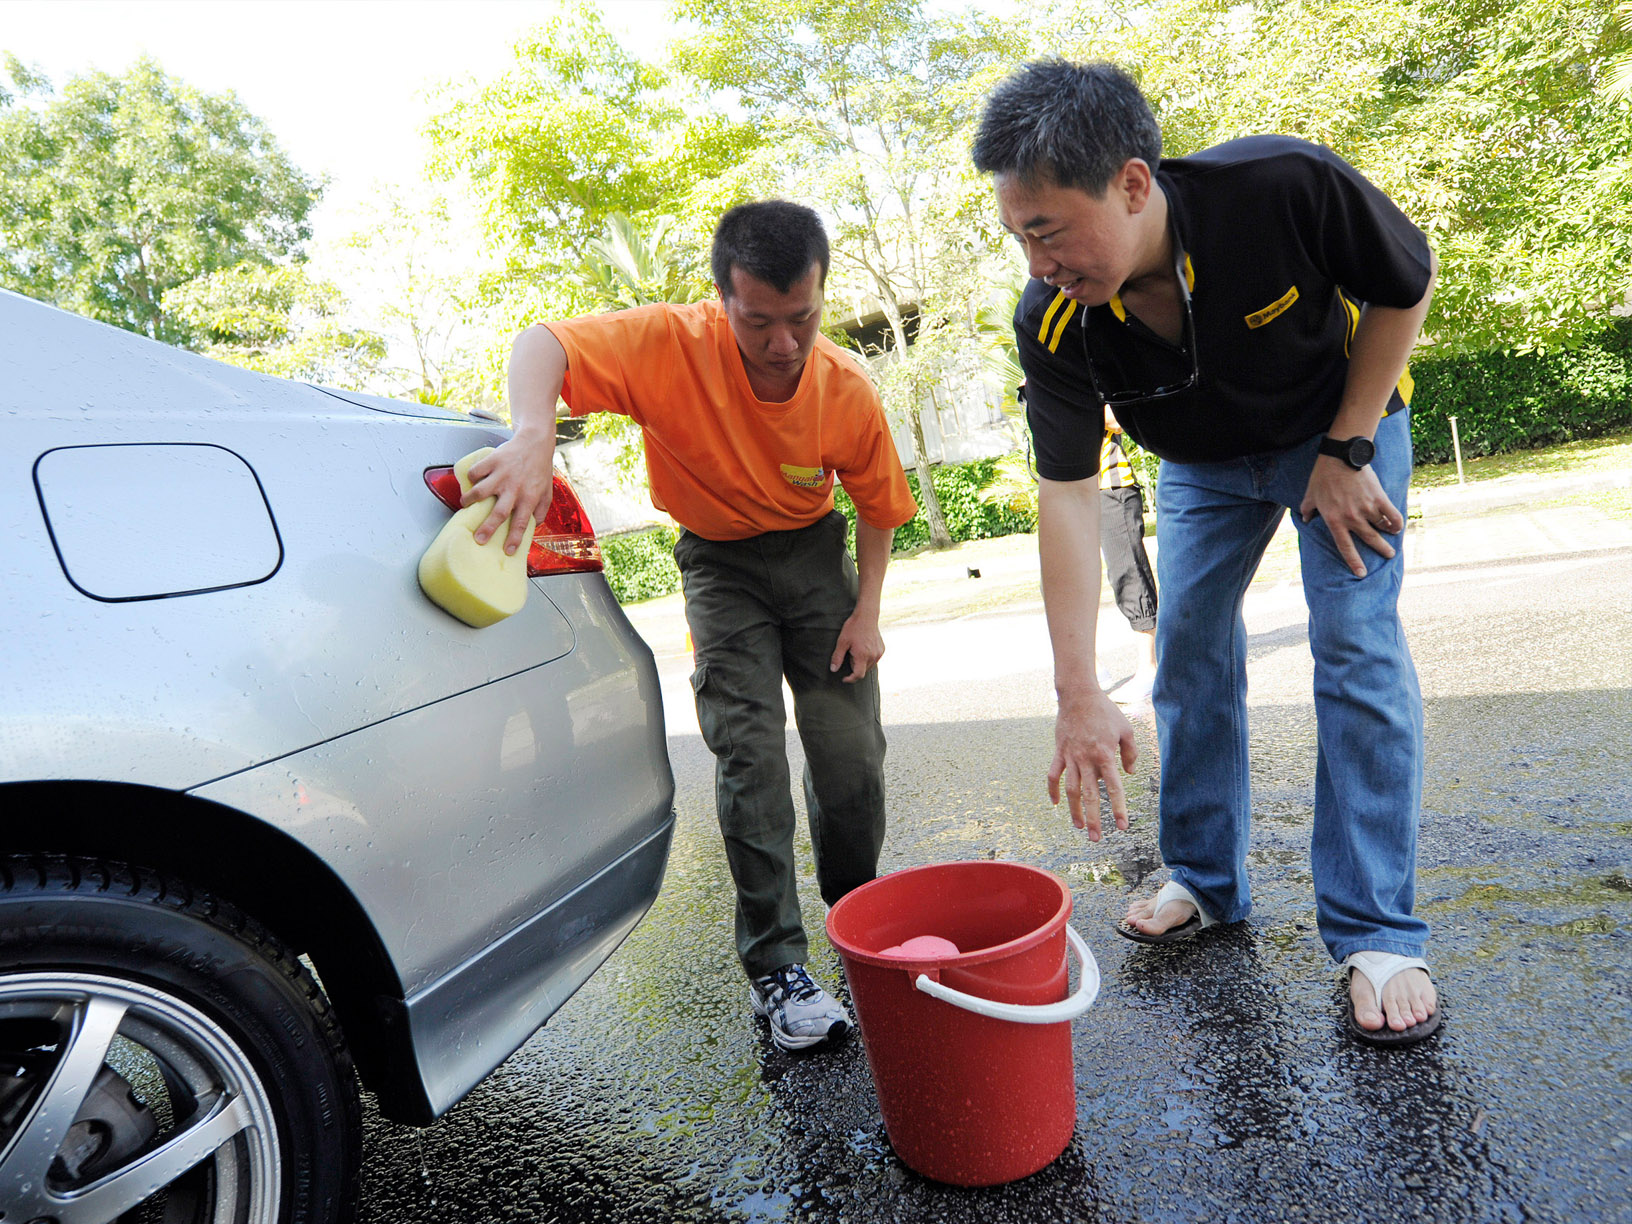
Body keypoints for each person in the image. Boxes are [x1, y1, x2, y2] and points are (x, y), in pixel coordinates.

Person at [972, 59, 1441, 1046]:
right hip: (1200, 464)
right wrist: (1075, 693)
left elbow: (1407, 281)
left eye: (1048, 229)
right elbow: (1066, 496)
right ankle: (1206, 875)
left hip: (1339, 433)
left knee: (1354, 646)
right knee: (1184, 644)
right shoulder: (1053, 317)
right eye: (1017, 235)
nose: (1035, 262)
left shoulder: (1280, 190)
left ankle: (1376, 931)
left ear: (1133, 183)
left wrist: (1348, 446)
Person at [464, 200, 918, 1052]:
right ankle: (777, 968)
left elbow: (879, 506)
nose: (784, 343)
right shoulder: (669, 343)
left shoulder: (845, 388)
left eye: (803, 319)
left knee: (849, 752)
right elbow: (544, 343)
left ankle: (856, 909)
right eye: (759, 322)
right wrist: (533, 433)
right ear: (722, 301)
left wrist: (868, 612)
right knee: (749, 754)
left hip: (819, 562)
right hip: (720, 568)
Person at [1097, 404, 1158, 707]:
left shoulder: (1089, 363)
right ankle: (1092, 671)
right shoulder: (1040, 366)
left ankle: (1150, 669)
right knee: (1059, 583)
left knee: (1128, 574)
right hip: (1066, 489)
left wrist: (1063, 399)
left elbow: (1116, 417)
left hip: (1110, 485)